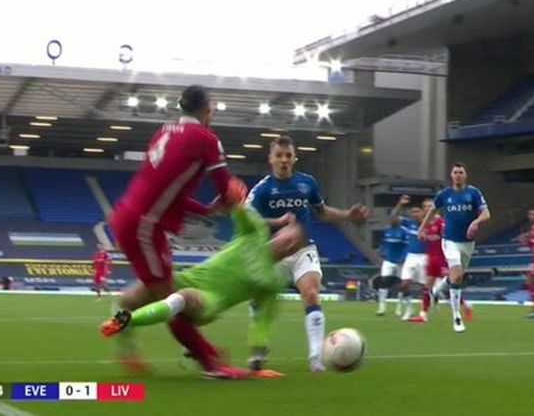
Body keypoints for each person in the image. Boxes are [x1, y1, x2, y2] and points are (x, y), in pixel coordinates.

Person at [108, 84, 250, 380]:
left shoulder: (164, 130)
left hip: (129, 215)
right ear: (207, 109)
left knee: (153, 290)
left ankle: (122, 322)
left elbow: (166, 189)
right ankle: (210, 361)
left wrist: (207, 210)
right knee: (171, 299)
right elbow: (226, 188)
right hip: (144, 226)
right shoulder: (207, 139)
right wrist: (233, 197)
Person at [102, 206, 305, 379]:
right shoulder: (255, 233)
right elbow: (239, 207)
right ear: (279, 232)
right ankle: (129, 351)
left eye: (293, 244)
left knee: (186, 297)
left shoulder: (272, 282)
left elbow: (261, 322)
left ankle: (123, 321)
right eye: (287, 237)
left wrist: (257, 364)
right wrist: (229, 190)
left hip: (210, 301)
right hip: (188, 278)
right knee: (131, 296)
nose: (287, 243)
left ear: (294, 252)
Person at [246, 135, 369, 373]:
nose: (284, 160)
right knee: (259, 300)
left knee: (311, 294)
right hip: (274, 251)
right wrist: (275, 222)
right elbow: (247, 218)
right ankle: (259, 348)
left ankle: (315, 358)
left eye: (288, 155)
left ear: (294, 158)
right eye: (279, 155)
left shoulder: (307, 183)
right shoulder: (261, 190)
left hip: (303, 248)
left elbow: (321, 213)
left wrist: (347, 215)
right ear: (270, 158)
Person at [421, 162, 490, 333]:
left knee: (455, 277)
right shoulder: (445, 195)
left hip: (467, 242)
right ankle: (457, 318)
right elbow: (432, 211)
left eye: (461, 172)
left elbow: (486, 213)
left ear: (465, 175)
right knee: (457, 276)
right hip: (449, 241)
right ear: (451, 175)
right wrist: (423, 227)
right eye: (455, 172)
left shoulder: (473, 193)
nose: (458, 175)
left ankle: (437, 290)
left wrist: (476, 221)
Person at [390, 195, 427, 321]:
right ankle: (409, 309)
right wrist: (400, 204)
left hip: (425, 257)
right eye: (413, 212)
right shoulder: (409, 224)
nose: (415, 214)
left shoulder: (430, 223)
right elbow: (393, 220)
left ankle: (423, 312)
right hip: (411, 256)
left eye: (417, 211)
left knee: (425, 287)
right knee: (405, 283)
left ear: (423, 212)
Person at [376, 223, 407, 316]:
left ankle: (399, 307)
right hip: (388, 260)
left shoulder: (404, 231)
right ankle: (381, 308)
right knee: (383, 281)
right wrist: (381, 251)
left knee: (401, 284)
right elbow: (383, 243)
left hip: (400, 261)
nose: (393, 219)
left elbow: (406, 246)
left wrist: (403, 258)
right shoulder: (386, 230)